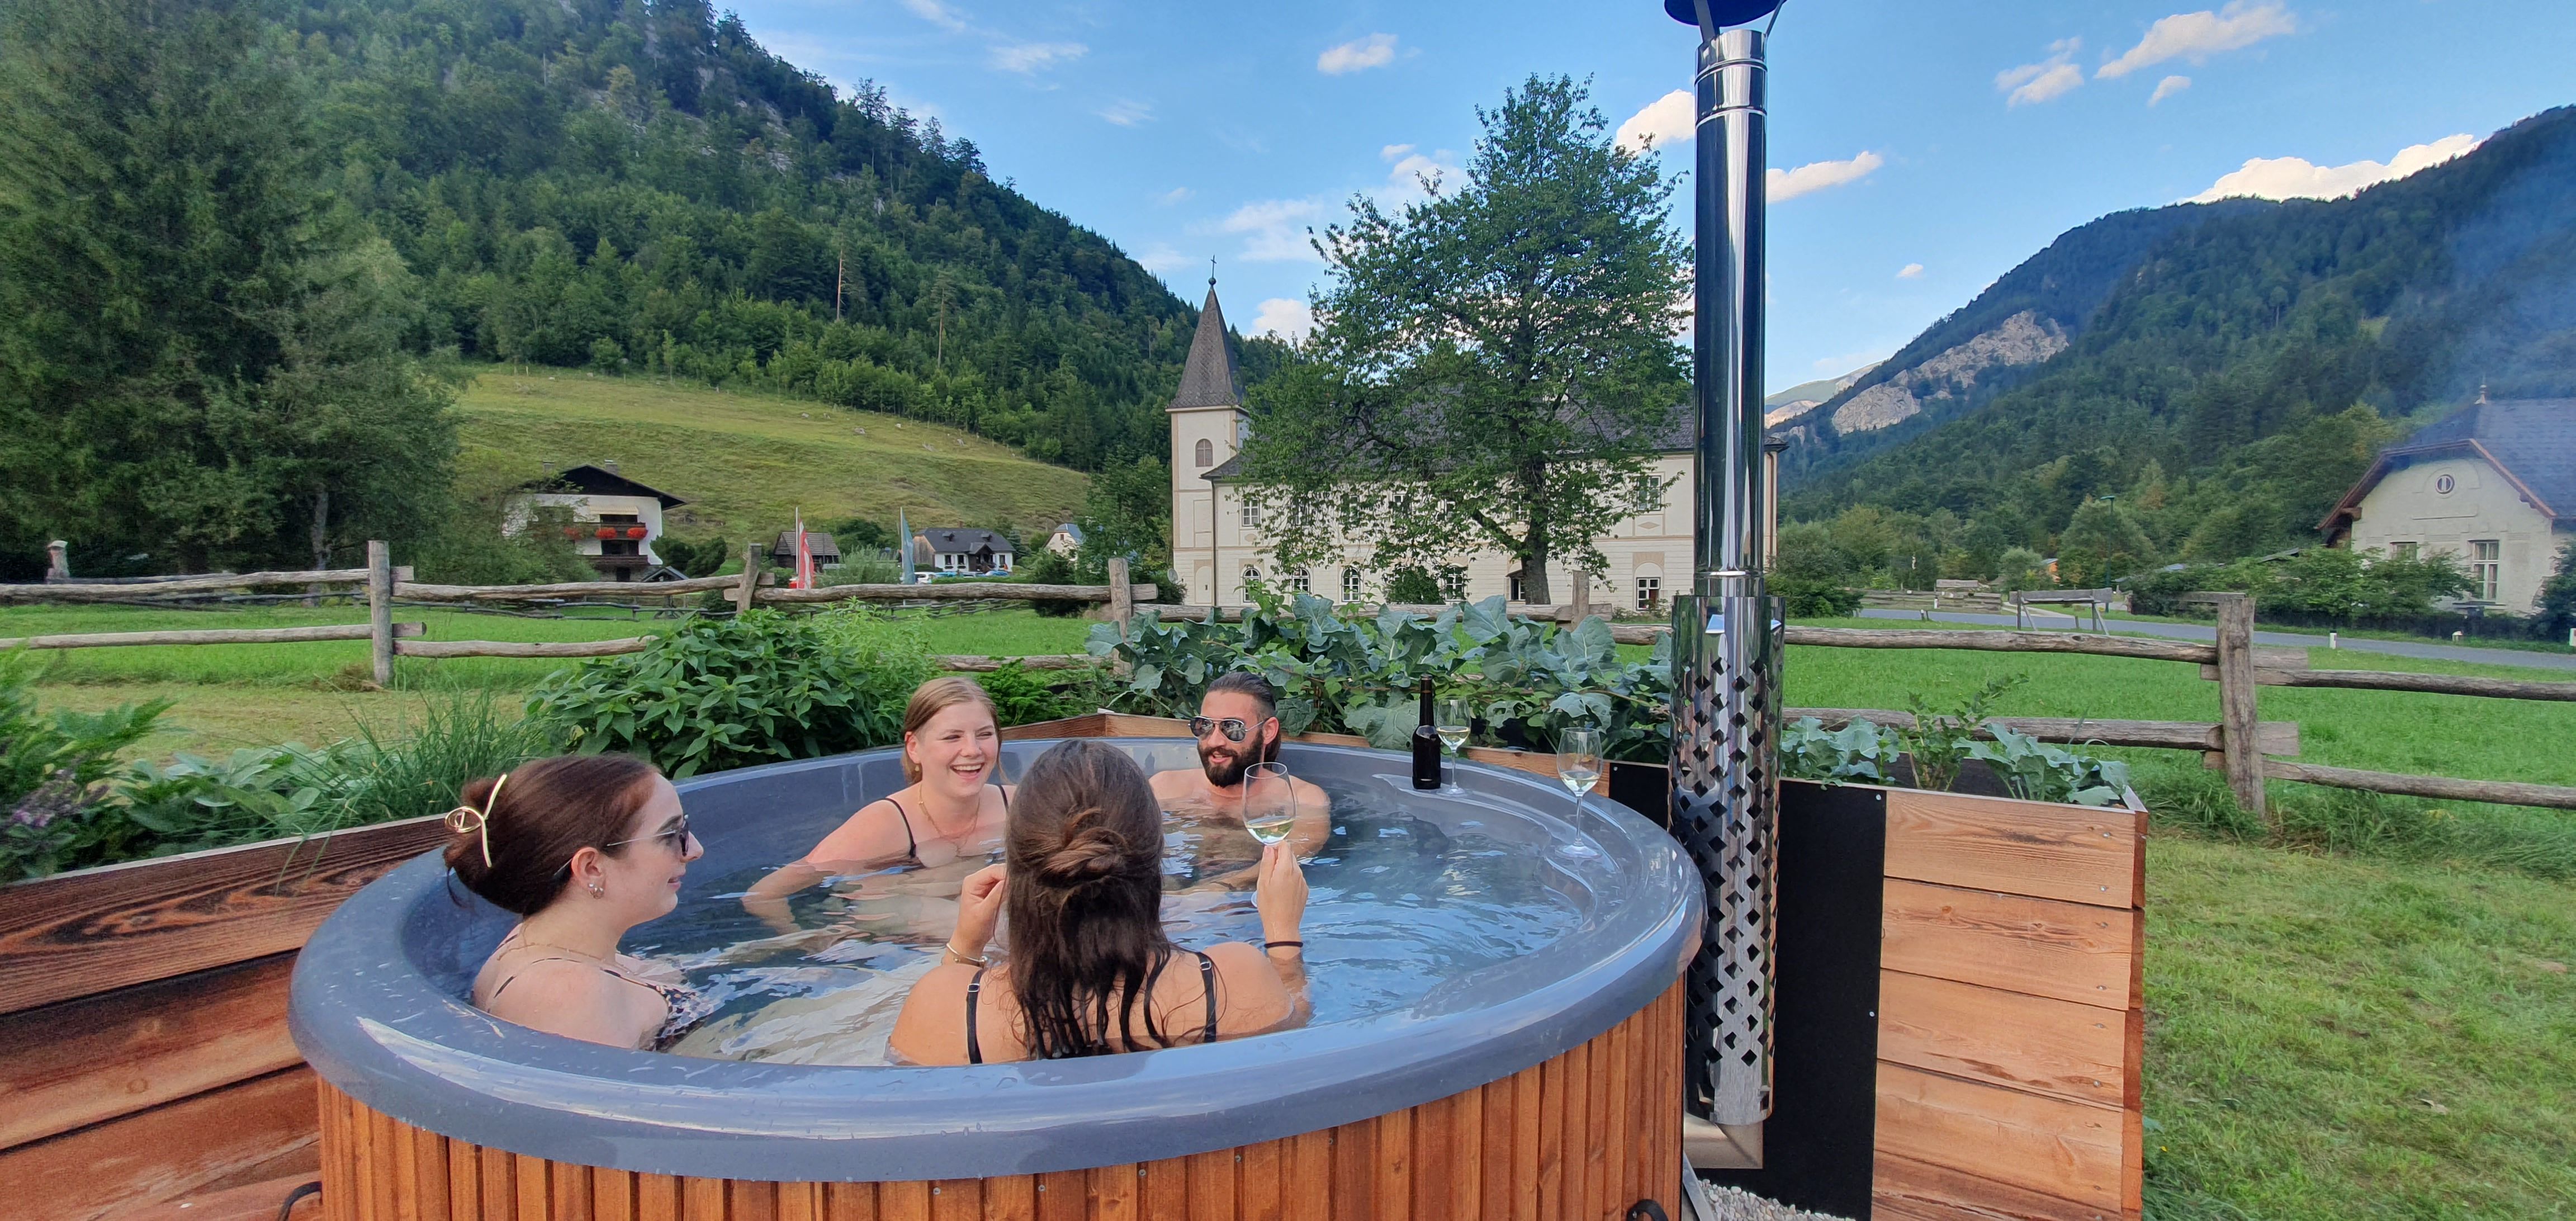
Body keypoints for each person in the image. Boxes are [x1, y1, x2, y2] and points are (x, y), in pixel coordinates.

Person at [888, 740, 1309, 1065]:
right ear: (1155, 859)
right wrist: (1283, 939)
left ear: (1018, 863)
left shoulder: (941, 1007)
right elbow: (1298, 1046)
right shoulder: (1232, 981)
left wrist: (965, 948)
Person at [446, 754, 713, 1050]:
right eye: (671, 835)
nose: (695, 850)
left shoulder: (544, 944)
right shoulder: (569, 994)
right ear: (592, 868)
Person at [741, 678, 1014, 934]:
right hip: (885, 930)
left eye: (984, 734)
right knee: (993, 928)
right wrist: (805, 943)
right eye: (952, 737)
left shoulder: (1021, 805)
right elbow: (763, 894)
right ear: (914, 747)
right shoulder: (883, 825)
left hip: (963, 925)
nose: (973, 750)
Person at [1149, 671, 1332, 878]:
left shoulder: (1303, 801)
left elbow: (1287, 861)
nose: (1215, 741)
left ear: (1268, 731)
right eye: (1205, 726)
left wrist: (1218, 890)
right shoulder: (1163, 789)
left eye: (1233, 727)